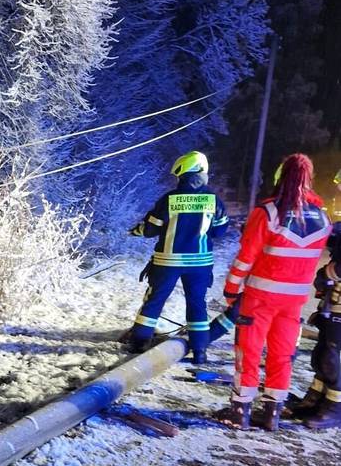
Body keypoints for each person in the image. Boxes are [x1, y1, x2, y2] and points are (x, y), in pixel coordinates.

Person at [218, 153, 332, 431]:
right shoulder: (322, 217)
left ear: (280, 176)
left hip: (260, 297)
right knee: (283, 354)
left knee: (249, 351)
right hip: (294, 301)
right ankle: (272, 414)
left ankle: (240, 411)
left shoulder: (268, 212)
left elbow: (245, 258)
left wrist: (231, 290)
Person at [123, 151, 229, 363]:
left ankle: (138, 343)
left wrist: (136, 231)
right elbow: (219, 231)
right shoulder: (214, 200)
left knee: (155, 300)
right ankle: (200, 351)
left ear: (184, 174)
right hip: (200, 264)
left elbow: (151, 229)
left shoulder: (169, 199)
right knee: (197, 304)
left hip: (167, 262)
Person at [288, 168, 341, 429]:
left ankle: (335, 407)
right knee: (322, 352)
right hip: (334, 299)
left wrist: (327, 273)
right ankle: (317, 398)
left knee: (333, 356)